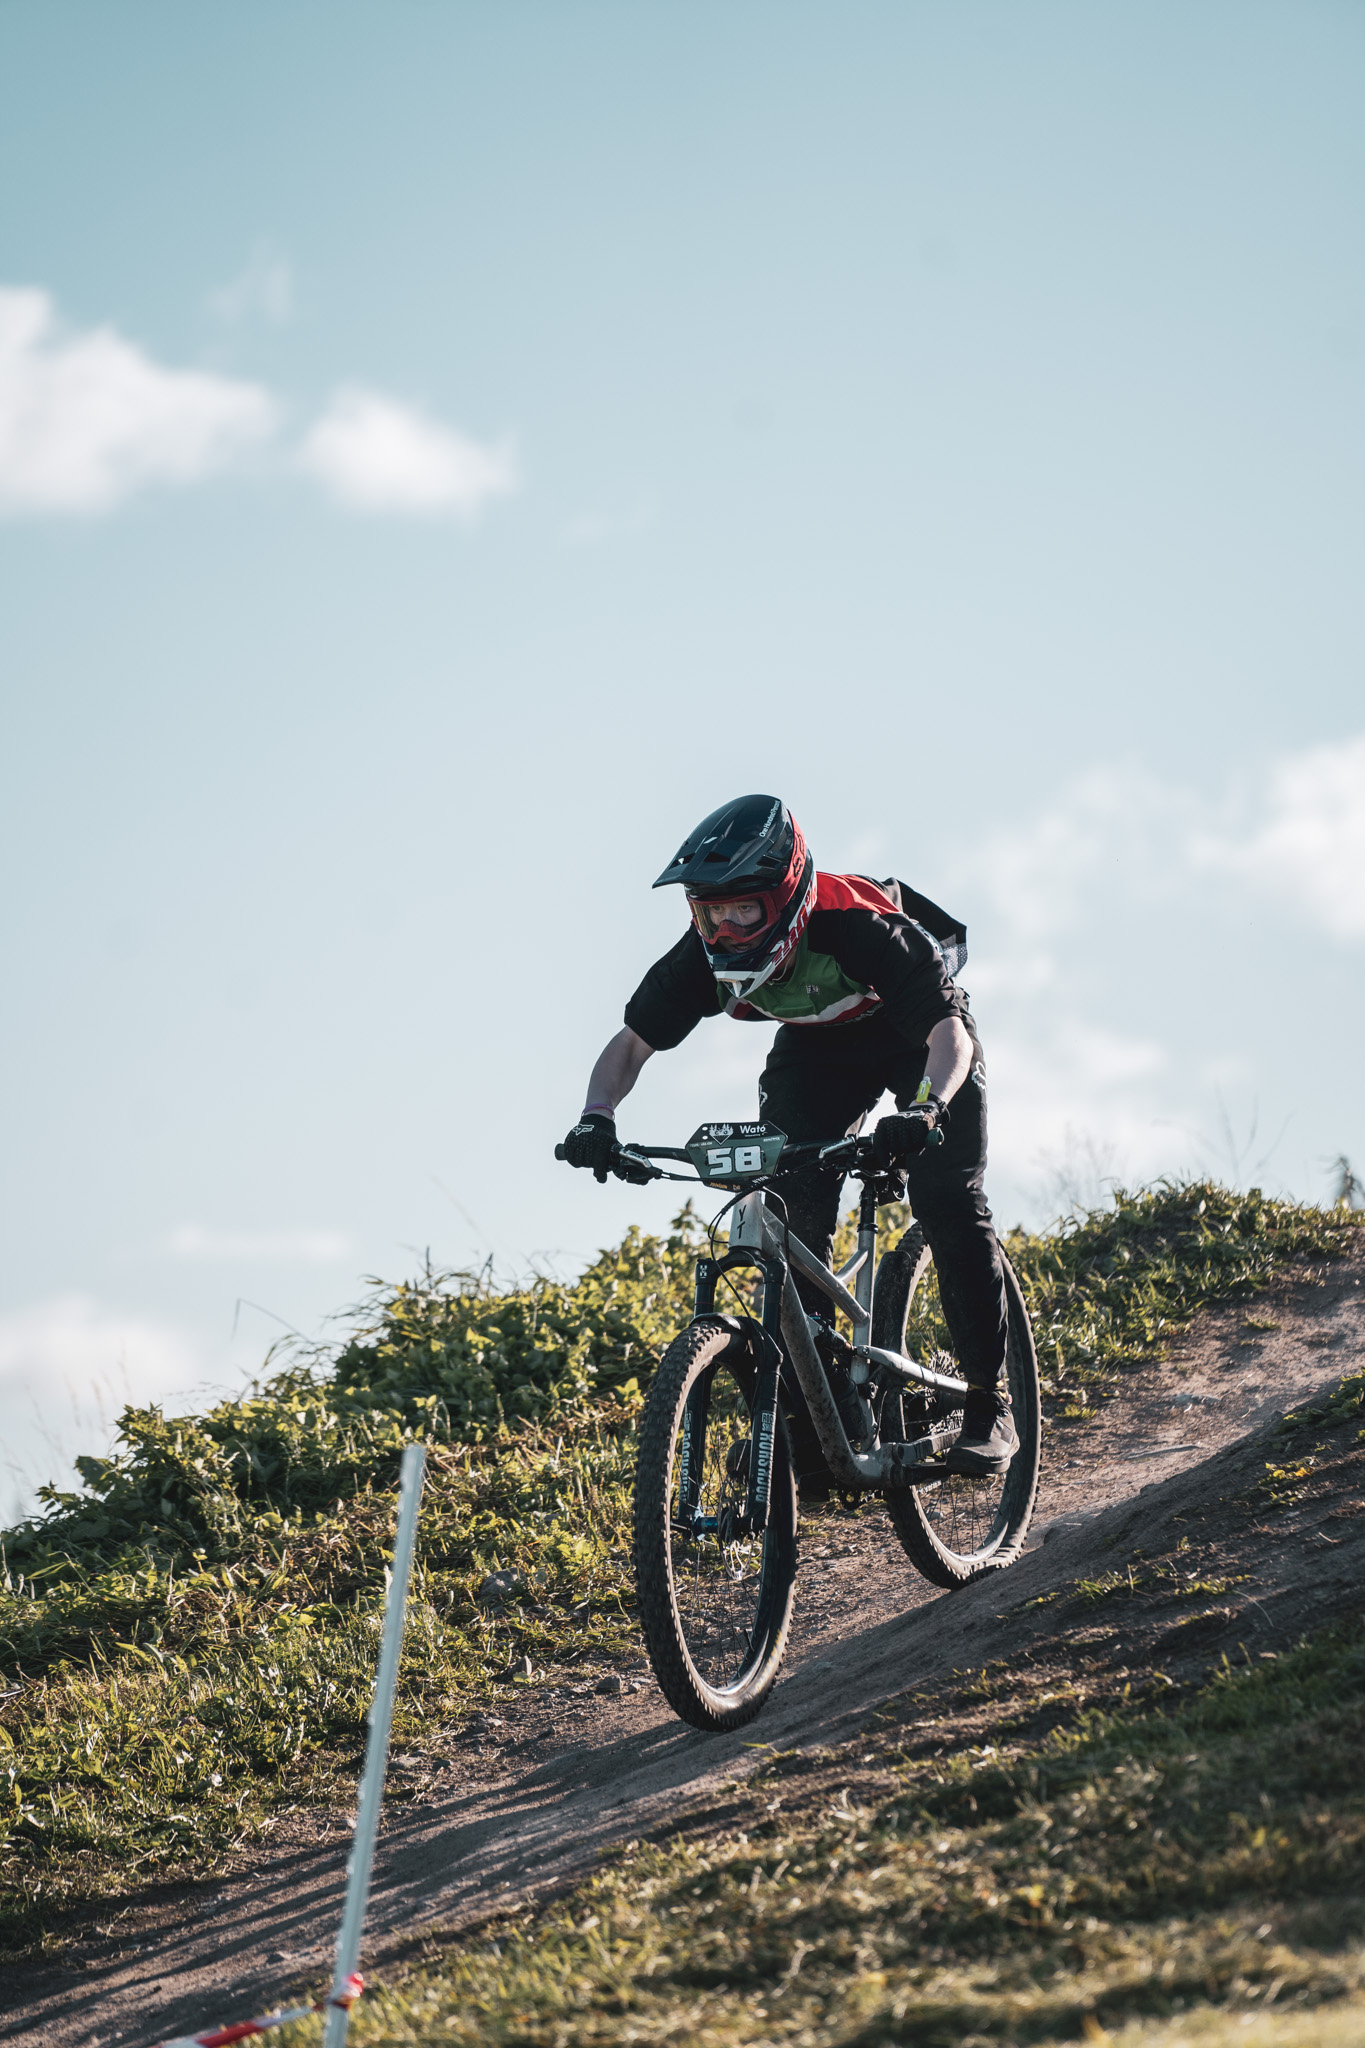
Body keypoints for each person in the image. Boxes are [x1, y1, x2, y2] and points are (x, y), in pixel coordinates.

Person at [558, 794, 1017, 1476]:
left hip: (916, 1038)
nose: (723, 930)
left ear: (787, 896)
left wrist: (924, 1111)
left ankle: (989, 1401)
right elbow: (630, 1045)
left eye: (741, 910)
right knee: (787, 1210)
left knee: (947, 1199)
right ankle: (816, 1425)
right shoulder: (702, 957)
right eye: (708, 913)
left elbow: (949, 1036)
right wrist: (596, 1116)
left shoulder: (858, 927)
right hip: (818, 1048)